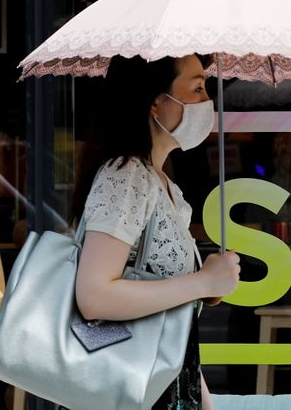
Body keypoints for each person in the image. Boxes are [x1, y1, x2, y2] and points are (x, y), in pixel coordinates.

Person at [70, 54, 240, 410]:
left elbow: (170, 334)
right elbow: (94, 296)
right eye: (196, 88)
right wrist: (203, 282)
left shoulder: (161, 184)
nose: (206, 101)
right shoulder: (126, 175)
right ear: (156, 104)